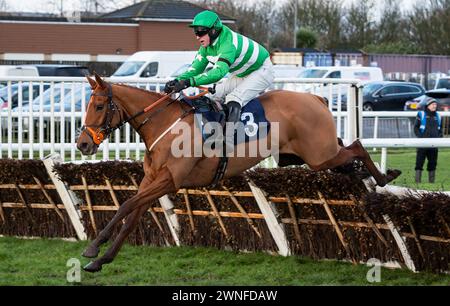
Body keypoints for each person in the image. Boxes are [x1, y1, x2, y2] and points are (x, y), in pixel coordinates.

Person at [164, 10, 274, 136]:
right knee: (211, 97)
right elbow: (195, 69)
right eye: (195, 32)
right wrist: (177, 81)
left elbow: (218, 73)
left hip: (261, 71)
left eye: (200, 32)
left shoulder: (227, 44)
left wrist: (190, 82)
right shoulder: (206, 46)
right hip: (242, 74)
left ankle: (229, 141)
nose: (197, 36)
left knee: (233, 99)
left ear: (213, 30)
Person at [414, 97, 443, 183]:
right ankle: (417, 182)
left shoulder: (438, 116)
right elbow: (416, 128)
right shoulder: (421, 114)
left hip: (434, 144)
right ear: (428, 105)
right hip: (422, 144)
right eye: (433, 104)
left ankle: (431, 183)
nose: (435, 106)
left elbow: (440, 129)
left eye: (435, 104)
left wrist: (439, 138)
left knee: (433, 164)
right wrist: (421, 138)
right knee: (419, 163)